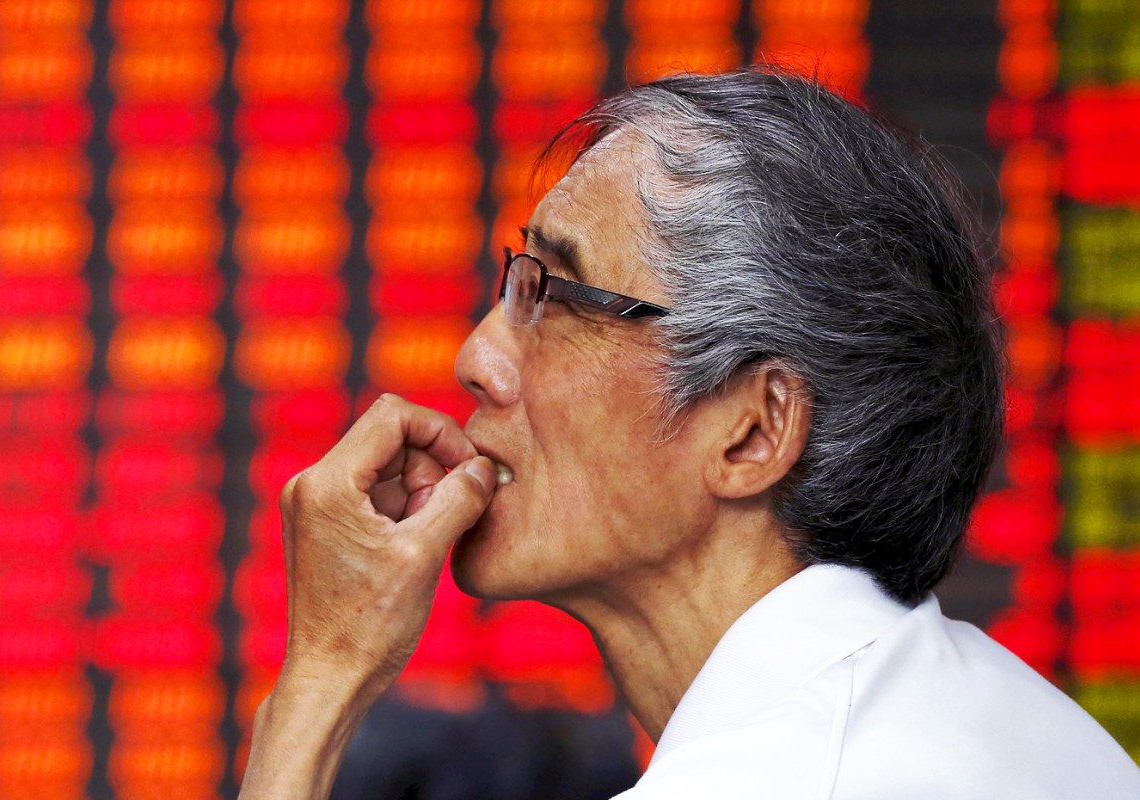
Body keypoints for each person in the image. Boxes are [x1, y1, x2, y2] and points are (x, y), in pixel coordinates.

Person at [238, 70, 1140, 799]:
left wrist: (320, 678)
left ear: (752, 433)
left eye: (554, 294)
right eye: (513, 283)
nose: (477, 355)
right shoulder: (1025, 727)